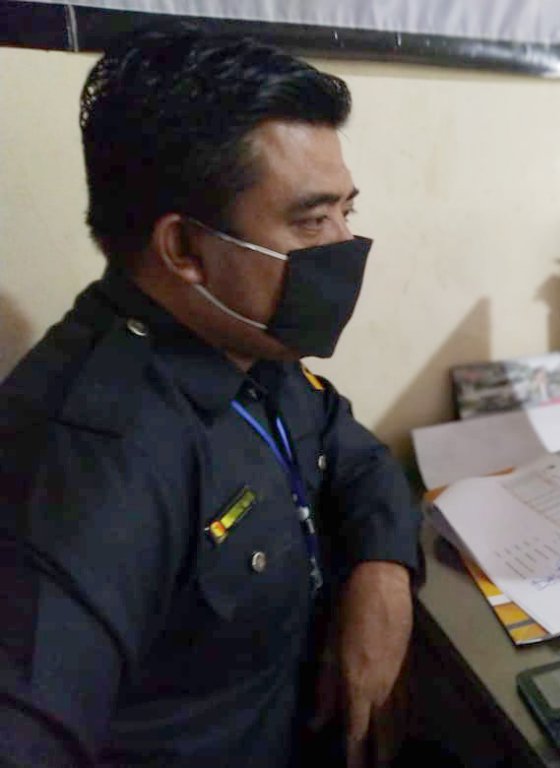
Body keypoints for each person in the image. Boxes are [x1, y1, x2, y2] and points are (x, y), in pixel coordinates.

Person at [0, 28, 423, 768]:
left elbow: (353, 454)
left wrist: (382, 570)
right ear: (185, 250)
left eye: (346, 212)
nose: (343, 245)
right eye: (312, 220)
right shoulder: (94, 463)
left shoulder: (248, 346)